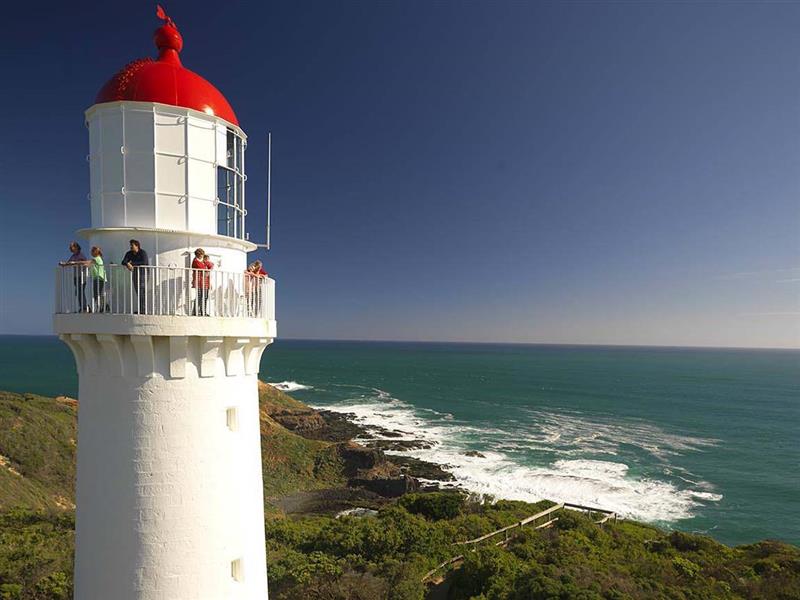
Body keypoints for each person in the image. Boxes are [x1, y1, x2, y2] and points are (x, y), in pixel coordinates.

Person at [121, 239, 149, 314]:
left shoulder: (142, 252)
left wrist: (132, 263)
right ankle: (141, 310)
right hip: (136, 273)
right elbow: (123, 261)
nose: (130, 247)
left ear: (137, 246)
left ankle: (143, 310)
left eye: (132, 245)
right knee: (138, 291)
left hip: (143, 273)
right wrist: (127, 264)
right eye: (130, 245)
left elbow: (144, 262)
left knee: (141, 291)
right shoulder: (129, 253)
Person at [59, 242, 88, 312]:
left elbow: (85, 262)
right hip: (76, 276)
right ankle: (82, 306)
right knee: (78, 292)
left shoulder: (81, 255)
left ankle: (84, 307)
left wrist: (75, 263)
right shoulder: (73, 256)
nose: (70, 248)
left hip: (82, 276)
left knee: (81, 291)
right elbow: (69, 263)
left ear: (76, 247)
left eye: (71, 247)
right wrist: (63, 264)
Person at [78, 246, 109, 313]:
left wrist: (75, 263)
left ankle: (104, 306)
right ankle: (103, 306)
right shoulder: (97, 259)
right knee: (98, 294)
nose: (91, 252)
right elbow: (89, 265)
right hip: (98, 278)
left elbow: (88, 263)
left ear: (96, 252)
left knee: (96, 294)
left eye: (92, 251)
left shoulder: (97, 258)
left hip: (99, 278)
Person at [191, 248, 213, 316]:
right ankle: (196, 312)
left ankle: (203, 312)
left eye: (202, 255)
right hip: (199, 282)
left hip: (205, 282)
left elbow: (211, 265)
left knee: (205, 297)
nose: (201, 256)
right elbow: (202, 268)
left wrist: (206, 264)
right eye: (200, 255)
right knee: (199, 297)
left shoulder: (202, 261)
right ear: (197, 255)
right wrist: (206, 264)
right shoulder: (195, 261)